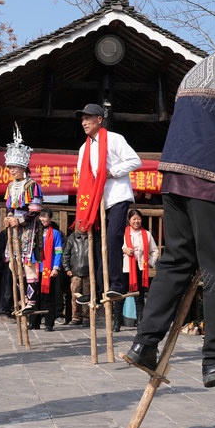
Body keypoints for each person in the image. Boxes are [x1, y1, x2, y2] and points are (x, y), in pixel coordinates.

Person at [126, 13, 215, 388]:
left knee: (176, 262)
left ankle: (145, 343)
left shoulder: (194, 71)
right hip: (213, 179)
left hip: (173, 178)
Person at [73, 103, 142, 311]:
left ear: (99, 120)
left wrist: (111, 172)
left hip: (117, 197)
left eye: (88, 118)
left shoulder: (114, 139)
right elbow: (82, 177)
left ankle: (116, 285)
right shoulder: (84, 148)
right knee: (95, 243)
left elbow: (135, 160)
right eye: (82, 119)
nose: (84, 122)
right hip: (96, 201)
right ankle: (98, 289)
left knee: (112, 238)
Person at [2, 125, 43, 314]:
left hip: (28, 229)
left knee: (28, 263)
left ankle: (31, 301)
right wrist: (9, 217)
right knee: (12, 264)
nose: (11, 170)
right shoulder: (11, 186)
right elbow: (10, 207)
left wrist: (20, 220)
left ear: (23, 167)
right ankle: (22, 297)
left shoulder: (32, 185)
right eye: (9, 167)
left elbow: (35, 209)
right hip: (14, 230)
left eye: (13, 167)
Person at [121, 208, 159, 329]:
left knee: (139, 296)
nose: (136, 221)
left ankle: (140, 322)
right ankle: (116, 322)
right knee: (120, 295)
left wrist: (149, 262)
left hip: (141, 268)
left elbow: (155, 251)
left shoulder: (146, 234)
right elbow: (115, 249)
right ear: (129, 220)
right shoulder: (123, 233)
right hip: (126, 268)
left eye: (138, 219)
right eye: (134, 219)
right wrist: (124, 250)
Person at [30, 210, 62, 331]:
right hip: (35, 268)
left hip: (49, 269)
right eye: (41, 217)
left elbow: (58, 252)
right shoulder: (33, 232)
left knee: (49, 297)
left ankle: (49, 323)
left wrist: (55, 268)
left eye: (45, 217)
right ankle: (34, 322)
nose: (43, 219)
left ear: (50, 219)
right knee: (34, 296)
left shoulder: (55, 233)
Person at [62, 227, 91, 326]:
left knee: (87, 296)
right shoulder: (72, 237)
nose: (83, 226)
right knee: (75, 296)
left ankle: (86, 317)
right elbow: (66, 254)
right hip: (75, 272)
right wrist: (67, 268)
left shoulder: (91, 237)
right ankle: (75, 317)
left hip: (88, 272)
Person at [0, 217, 14, 321]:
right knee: (7, 287)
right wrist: (9, 260)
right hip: (6, 265)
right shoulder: (3, 235)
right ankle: (3, 311)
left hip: (20, 265)